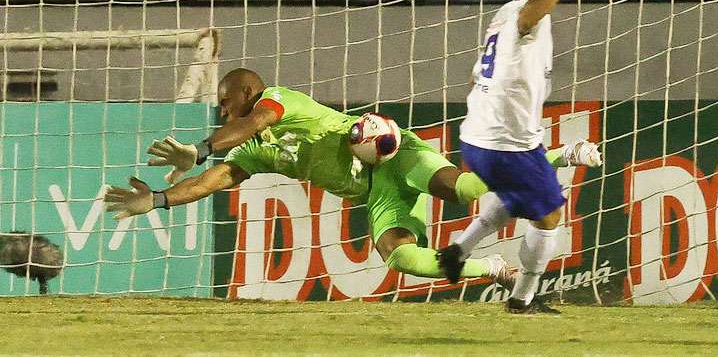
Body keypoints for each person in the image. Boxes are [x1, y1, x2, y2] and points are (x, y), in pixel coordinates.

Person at [105, 68, 518, 289]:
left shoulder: (279, 101)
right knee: (400, 258)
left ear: (249, 92)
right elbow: (211, 181)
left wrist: (200, 147)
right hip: (378, 194)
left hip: (394, 154)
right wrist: (158, 200)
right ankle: (493, 267)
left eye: (227, 103)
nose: (224, 113)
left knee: (462, 190)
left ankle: (547, 157)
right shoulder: (254, 149)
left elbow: (253, 123)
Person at [437, 0, 599, 314]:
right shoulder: (527, 17)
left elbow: (475, 74)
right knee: (550, 217)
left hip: (477, 138)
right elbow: (531, 15)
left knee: (516, 195)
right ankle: (522, 300)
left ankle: (458, 250)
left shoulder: (501, 16)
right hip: (505, 143)